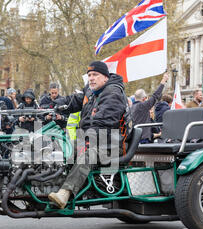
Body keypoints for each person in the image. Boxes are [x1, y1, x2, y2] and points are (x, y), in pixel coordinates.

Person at [48, 61, 129, 209]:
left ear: (105, 77)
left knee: (88, 154)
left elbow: (103, 124)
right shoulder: (92, 91)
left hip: (111, 144)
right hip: (91, 139)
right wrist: (52, 106)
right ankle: (49, 184)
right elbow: (73, 101)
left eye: (95, 75)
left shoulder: (112, 94)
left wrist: (85, 142)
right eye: (89, 75)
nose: (91, 78)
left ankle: (65, 193)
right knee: (61, 148)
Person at [131, 73, 169, 144]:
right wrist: (163, 81)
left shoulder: (131, 107)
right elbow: (155, 95)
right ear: (143, 98)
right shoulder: (142, 106)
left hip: (135, 138)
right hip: (143, 139)